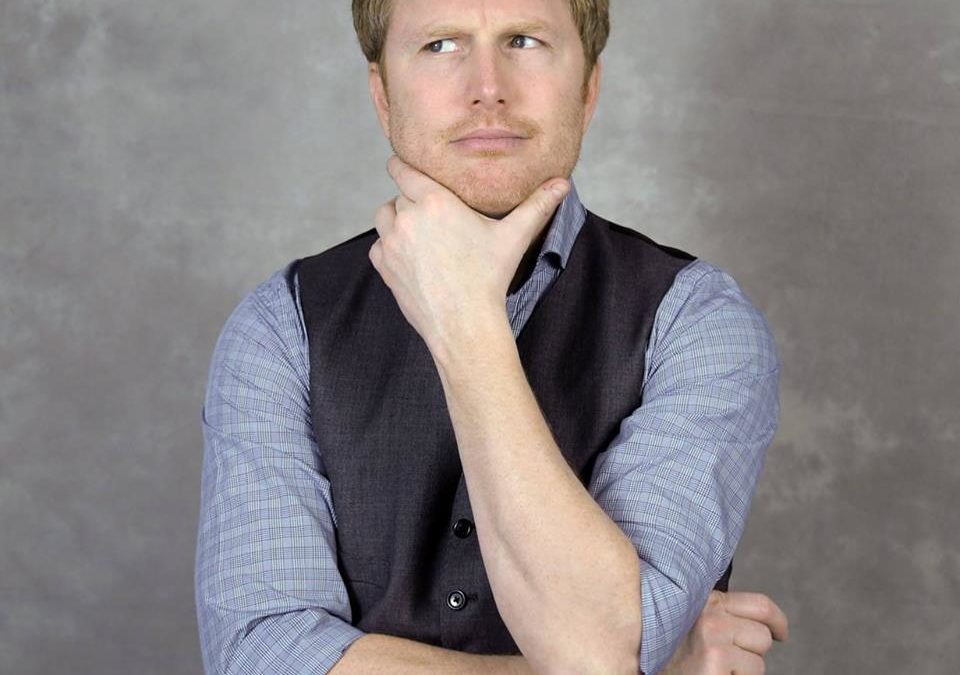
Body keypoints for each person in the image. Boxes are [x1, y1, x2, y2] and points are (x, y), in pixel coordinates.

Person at [194, 0, 789, 673]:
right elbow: (257, 656)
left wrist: (468, 325)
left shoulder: (698, 322)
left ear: (589, 88)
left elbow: (600, 649)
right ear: (382, 95)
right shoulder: (281, 326)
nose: (488, 86)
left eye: (525, 40)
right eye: (442, 45)